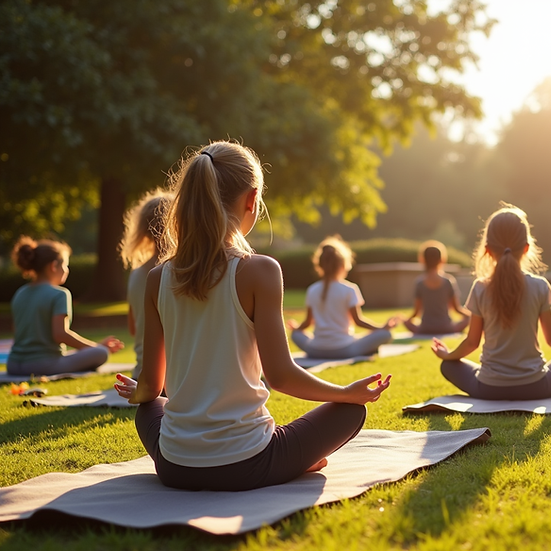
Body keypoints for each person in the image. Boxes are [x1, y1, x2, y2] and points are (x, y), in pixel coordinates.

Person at [113, 141, 391, 492]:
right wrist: (345, 392)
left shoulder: (157, 278)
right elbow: (282, 376)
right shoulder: (260, 271)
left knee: (150, 408)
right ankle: (294, 462)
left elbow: (152, 387)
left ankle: (286, 459)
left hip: (174, 467)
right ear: (252, 198)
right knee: (351, 411)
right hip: (248, 464)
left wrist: (139, 394)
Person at [431, 204, 551, 400]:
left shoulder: (480, 287)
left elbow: (472, 342)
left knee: (448, 366)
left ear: (487, 250)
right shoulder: (540, 285)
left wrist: (447, 355)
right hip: (536, 387)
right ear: (527, 248)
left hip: (488, 388)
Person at [7, 237, 124, 376]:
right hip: (43, 366)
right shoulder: (60, 294)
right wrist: (96, 347)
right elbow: (60, 334)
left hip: (13, 364)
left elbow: (17, 330)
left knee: (91, 351)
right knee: (101, 352)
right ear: (54, 266)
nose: (67, 270)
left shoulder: (20, 293)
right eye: (65, 265)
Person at [289, 235, 397, 359]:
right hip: (344, 350)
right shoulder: (349, 289)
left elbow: (307, 323)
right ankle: (368, 348)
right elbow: (358, 321)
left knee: (295, 334)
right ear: (343, 265)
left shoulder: (312, 289)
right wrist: (382, 327)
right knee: (386, 334)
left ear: (320, 265)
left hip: (315, 350)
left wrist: (296, 328)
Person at [119, 189, 174, 380]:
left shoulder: (136, 274)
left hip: (141, 374)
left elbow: (134, 328)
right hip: (174, 378)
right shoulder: (180, 271)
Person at [402, 240, 470, 335]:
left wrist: (405, 320)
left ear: (423, 260)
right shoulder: (448, 281)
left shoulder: (420, 283)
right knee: (469, 319)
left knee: (404, 321)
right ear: (442, 260)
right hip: (447, 328)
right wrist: (471, 316)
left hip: (425, 329)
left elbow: (416, 313)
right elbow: (457, 309)